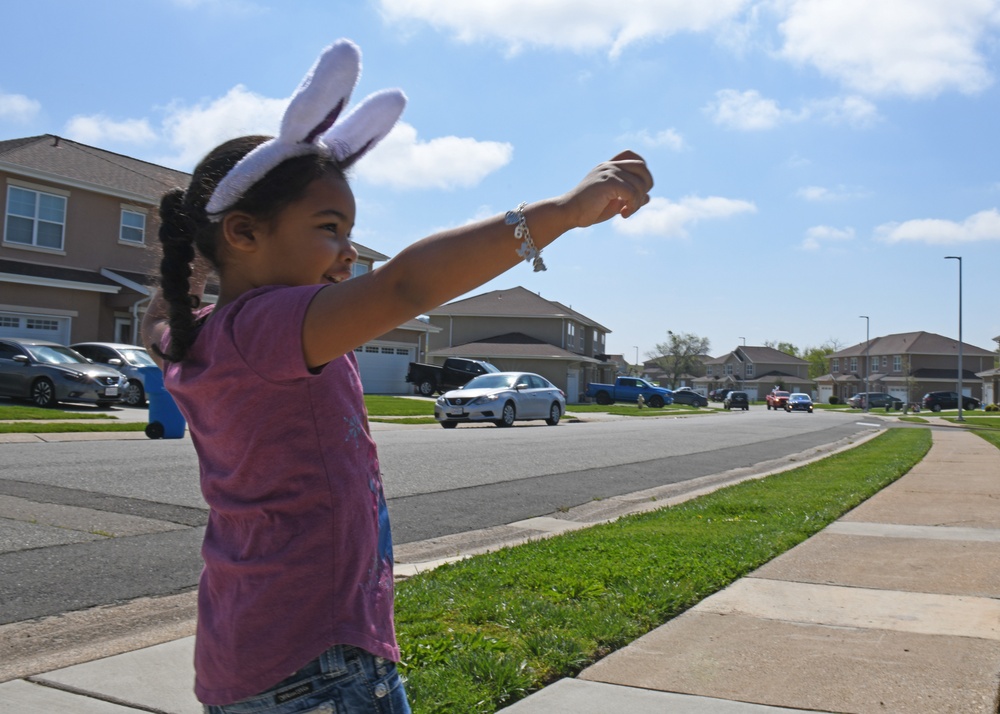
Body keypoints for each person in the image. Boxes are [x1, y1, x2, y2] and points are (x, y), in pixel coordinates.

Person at [142, 39, 652, 713]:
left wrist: (197, 249)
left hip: (250, 653)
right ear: (242, 233)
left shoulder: (197, 335)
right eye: (329, 227)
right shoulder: (267, 326)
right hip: (315, 663)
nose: (349, 252)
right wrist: (563, 211)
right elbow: (407, 282)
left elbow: (162, 309)